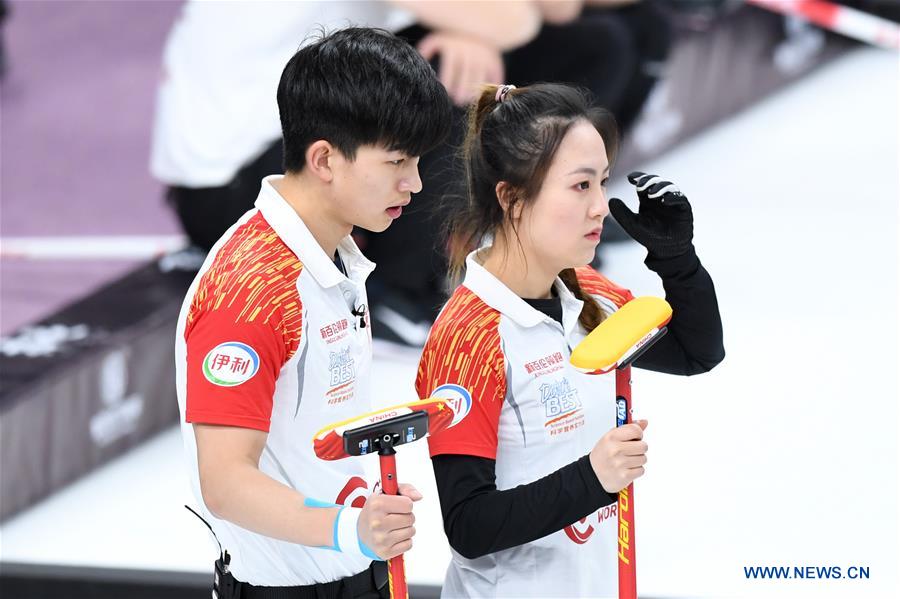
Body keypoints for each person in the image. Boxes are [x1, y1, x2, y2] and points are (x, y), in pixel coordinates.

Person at [415, 83, 724, 598]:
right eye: (581, 186)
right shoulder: (467, 338)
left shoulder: (588, 295)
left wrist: (677, 260)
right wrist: (593, 478)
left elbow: (698, 353)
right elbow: (469, 526)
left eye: (602, 182)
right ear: (511, 199)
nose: (601, 206)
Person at [174, 28, 453, 598]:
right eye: (397, 160)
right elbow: (225, 481)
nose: (416, 183)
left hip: (354, 572)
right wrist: (351, 527)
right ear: (324, 158)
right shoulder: (250, 290)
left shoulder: (334, 256)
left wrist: (358, 505)